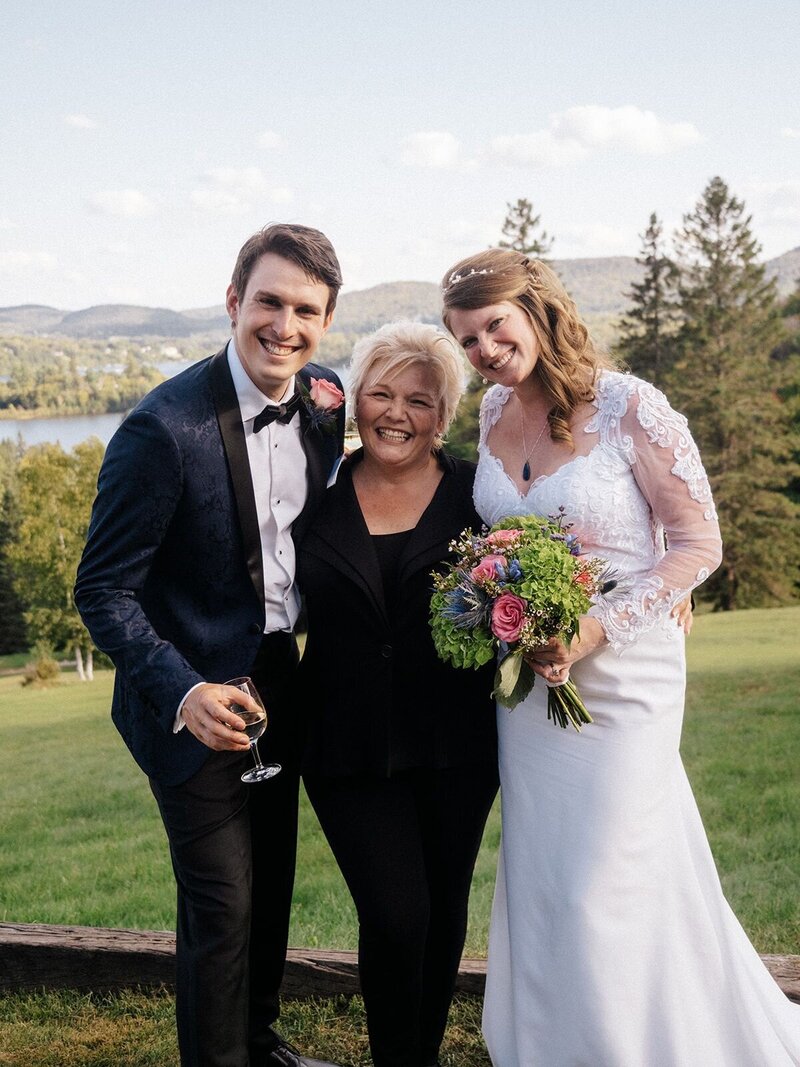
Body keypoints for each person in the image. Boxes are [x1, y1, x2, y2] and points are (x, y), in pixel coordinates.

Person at [441, 248, 800, 1066]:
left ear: (535, 309)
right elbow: (498, 538)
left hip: (627, 671)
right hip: (531, 680)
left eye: (494, 326)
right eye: (466, 340)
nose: (485, 349)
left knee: (607, 870)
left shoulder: (631, 404)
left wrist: (596, 628)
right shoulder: (492, 413)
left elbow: (699, 541)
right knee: (548, 864)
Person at [75, 224, 345, 1067]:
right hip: (187, 694)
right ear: (234, 303)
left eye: (306, 310)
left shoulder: (327, 399)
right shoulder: (163, 430)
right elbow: (101, 590)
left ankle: (259, 1042)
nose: (284, 325)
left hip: (277, 677)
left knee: (268, 892)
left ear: (325, 322)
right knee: (222, 905)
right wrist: (184, 692)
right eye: (269, 301)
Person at [297, 321, 499, 1067]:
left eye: (418, 399)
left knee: (443, 907)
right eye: (380, 393)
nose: (396, 412)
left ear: (442, 415)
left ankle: (419, 1054)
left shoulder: (481, 491)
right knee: (395, 912)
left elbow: (567, 550)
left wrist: (671, 578)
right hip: (344, 739)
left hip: (458, 739)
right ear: (355, 403)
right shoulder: (315, 489)